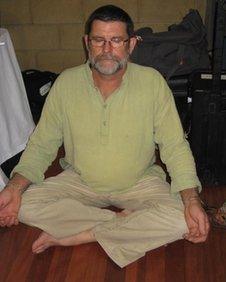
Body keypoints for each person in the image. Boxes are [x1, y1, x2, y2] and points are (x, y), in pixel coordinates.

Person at [0, 5, 209, 268]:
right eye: (99, 40)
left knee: (183, 218)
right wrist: (14, 188)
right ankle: (124, 225)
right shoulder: (66, 83)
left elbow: (175, 146)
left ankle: (82, 235)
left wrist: (191, 200)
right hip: (80, 180)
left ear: (131, 44)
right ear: (88, 43)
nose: (107, 49)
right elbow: (42, 144)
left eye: (116, 40)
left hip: (138, 181)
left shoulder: (152, 83)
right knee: (24, 204)